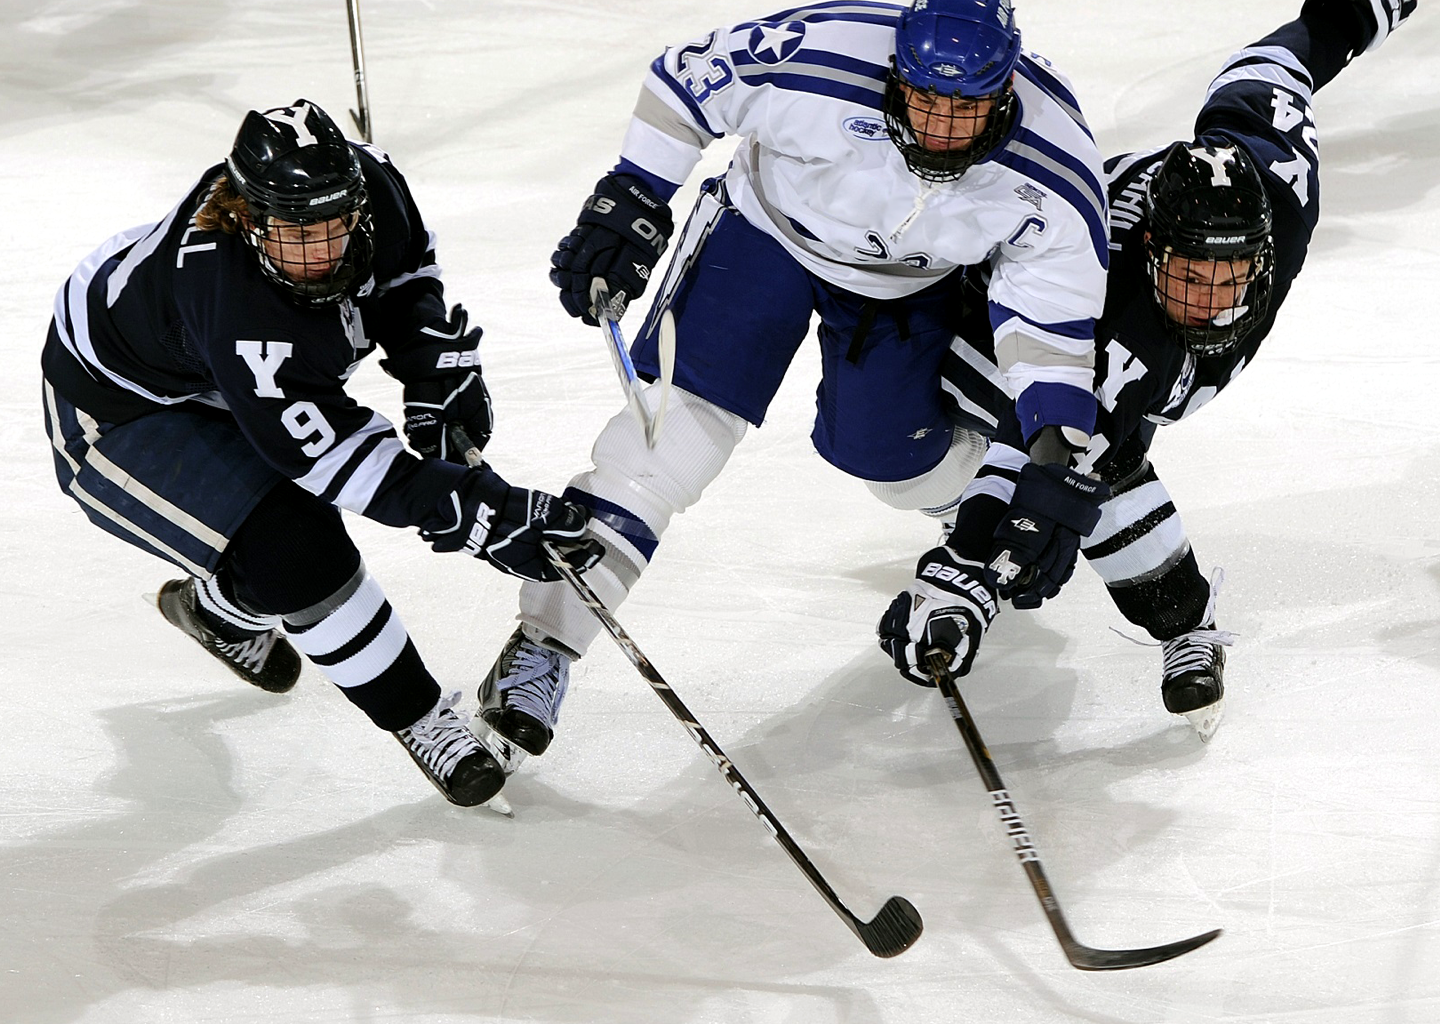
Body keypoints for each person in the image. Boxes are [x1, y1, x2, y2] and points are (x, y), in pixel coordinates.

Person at [475, 0, 1115, 773]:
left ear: (1006, 87)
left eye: (968, 107)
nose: (944, 128)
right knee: (671, 441)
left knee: (893, 460)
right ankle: (546, 643)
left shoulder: (1055, 166)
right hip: (764, 233)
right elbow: (687, 80)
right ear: (897, 75)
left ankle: (966, 518)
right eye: (927, 101)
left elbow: (1050, 336)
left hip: (907, 287)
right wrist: (635, 194)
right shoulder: (824, 53)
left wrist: (1045, 465)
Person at [878, 0, 1415, 739]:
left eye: (1229, 281)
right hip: (989, 317)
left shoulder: (1279, 186)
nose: (1209, 304)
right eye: (1189, 278)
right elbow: (1056, 447)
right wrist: (970, 570)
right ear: (1156, 251)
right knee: (1084, 452)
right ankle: (1180, 622)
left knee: (1095, 450)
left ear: (1262, 256)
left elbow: (1273, 68)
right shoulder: (1114, 296)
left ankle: (1162, 612)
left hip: (1113, 347)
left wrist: (1362, 10)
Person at [40, 99, 601, 807]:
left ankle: (222, 612)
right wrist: (476, 511)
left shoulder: (376, 185)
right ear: (247, 217)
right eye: (295, 232)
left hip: (210, 369)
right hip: (120, 411)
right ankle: (424, 719)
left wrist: (431, 371)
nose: (321, 252)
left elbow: (404, 279)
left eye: (335, 225)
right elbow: (336, 459)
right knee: (295, 549)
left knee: (275, 560)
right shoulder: (230, 294)